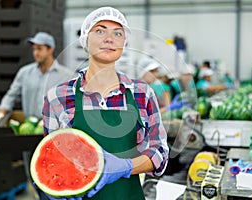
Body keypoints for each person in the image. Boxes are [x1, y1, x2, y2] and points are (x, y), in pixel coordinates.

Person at [41, 7, 169, 200]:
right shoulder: (57, 97)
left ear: (123, 43)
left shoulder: (141, 93)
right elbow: (52, 159)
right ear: (85, 39)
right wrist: (53, 186)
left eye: (117, 33)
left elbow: (159, 152)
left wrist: (126, 167)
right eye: (100, 31)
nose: (109, 39)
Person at [0, 32, 72, 126]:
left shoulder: (66, 76)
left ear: (50, 50)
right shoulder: (24, 73)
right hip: (29, 126)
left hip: (55, 128)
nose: (36, 53)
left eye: (39, 49)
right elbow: (11, 95)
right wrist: (2, 112)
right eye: (34, 49)